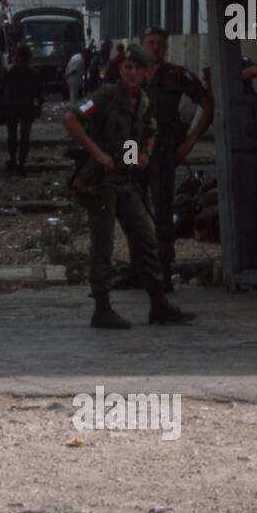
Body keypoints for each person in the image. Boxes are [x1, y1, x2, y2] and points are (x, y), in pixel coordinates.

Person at [62, 43, 195, 329]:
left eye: (138, 69)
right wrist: (97, 154)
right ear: (121, 70)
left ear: (147, 73)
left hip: (125, 180)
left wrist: (140, 156)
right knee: (104, 244)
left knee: (145, 239)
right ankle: (102, 308)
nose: (133, 73)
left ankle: (159, 305)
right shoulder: (106, 95)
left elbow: (148, 130)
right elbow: (71, 117)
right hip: (100, 182)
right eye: (128, 68)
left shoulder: (143, 101)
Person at [138, 25, 214, 290]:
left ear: (166, 45)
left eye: (159, 43)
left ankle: (163, 269)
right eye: (150, 42)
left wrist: (189, 143)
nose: (154, 47)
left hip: (162, 152)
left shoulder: (176, 75)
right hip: (133, 150)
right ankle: (139, 269)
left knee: (162, 210)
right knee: (132, 208)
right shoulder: (130, 74)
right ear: (142, 45)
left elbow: (207, 104)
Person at [3, 44, 43, 173]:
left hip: (12, 106)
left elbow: (5, 89)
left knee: (12, 134)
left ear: (17, 56)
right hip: (27, 106)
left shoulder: (11, 71)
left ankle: (12, 159)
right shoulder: (35, 72)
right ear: (29, 57)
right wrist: (39, 107)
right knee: (25, 135)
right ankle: (22, 162)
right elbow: (39, 93)